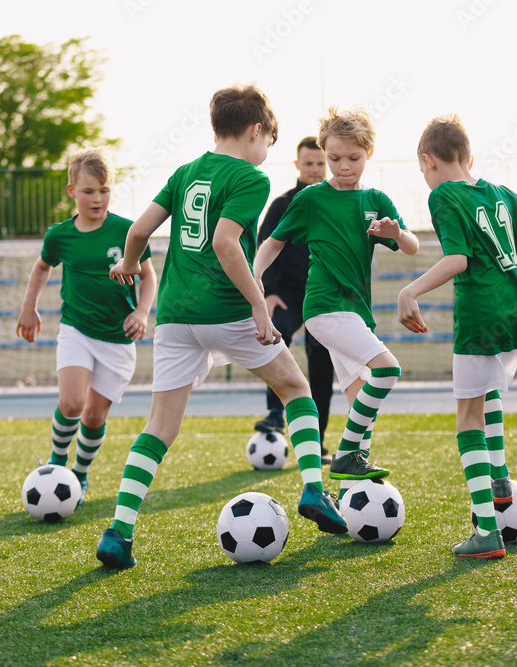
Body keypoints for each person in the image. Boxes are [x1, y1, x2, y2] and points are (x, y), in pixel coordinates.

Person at [95, 84, 347, 570]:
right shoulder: (250, 178)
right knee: (297, 387)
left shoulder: (186, 172)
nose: (267, 152)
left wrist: (128, 262)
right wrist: (257, 306)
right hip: (227, 311)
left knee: (160, 426)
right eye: (269, 141)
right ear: (257, 131)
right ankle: (315, 489)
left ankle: (119, 532)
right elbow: (227, 244)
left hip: (173, 316)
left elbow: (138, 232)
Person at [397, 115, 517, 558]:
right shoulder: (503, 193)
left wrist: (410, 290)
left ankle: (487, 533)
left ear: (428, 160)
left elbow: (457, 259)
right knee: (489, 393)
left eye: (423, 171)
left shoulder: (443, 195)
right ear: (468, 156)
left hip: (482, 313)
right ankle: (499, 479)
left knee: (467, 419)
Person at [253, 107, 419, 500]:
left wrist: (397, 232)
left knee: (358, 391)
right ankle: (347, 454)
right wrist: (255, 277)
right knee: (387, 370)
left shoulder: (376, 199)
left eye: (353, 158)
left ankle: (351, 486)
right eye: (334, 158)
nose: (343, 166)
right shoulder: (311, 199)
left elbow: (411, 246)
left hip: (356, 310)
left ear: (369, 152)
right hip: (324, 308)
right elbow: (274, 241)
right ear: (325, 153)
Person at [17, 147, 157, 506]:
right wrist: (29, 308)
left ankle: (79, 473)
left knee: (94, 416)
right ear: (71, 192)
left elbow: (149, 275)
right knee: (72, 401)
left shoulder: (128, 231)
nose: (97, 198)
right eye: (88, 191)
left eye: (104, 190)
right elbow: (42, 268)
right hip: (76, 330)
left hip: (118, 339)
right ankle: (57, 461)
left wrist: (142, 311)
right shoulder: (60, 235)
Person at [254, 136, 335, 463]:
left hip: (320, 294)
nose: (315, 169)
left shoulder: (335, 201)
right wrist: (269, 292)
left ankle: (318, 439)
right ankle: (276, 412)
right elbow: (263, 244)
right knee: (277, 335)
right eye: (309, 163)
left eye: (320, 163)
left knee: (321, 364)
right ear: (297, 165)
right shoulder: (282, 204)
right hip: (286, 292)